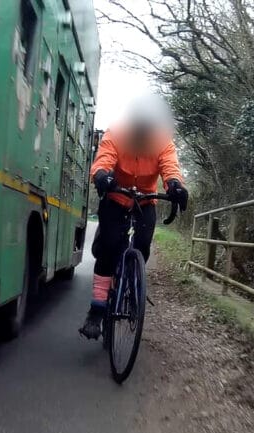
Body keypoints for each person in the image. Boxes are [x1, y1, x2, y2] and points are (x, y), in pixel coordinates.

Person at [79, 94, 188, 339]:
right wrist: (102, 175)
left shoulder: (162, 141)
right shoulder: (116, 133)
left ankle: (132, 284)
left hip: (145, 200)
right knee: (108, 248)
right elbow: (103, 159)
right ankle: (96, 311)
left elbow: (170, 166)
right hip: (117, 197)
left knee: (142, 246)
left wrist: (175, 185)